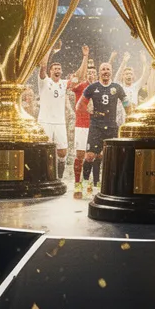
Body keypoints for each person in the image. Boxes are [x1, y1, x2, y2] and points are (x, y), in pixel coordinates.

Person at [81, 62, 130, 191]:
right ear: (99, 72)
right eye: (103, 69)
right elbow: (80, 104)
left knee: (107, 156)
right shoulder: (92, 87)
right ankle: (84, 184)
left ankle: (105, 185)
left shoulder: (117, 88)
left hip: (112, 126)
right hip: (96, 126)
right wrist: (88, 110)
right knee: (90, 156)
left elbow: (126, 103)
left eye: (108, 69)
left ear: (111, 72)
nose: (105, 71)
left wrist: (130, 115)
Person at [37, 49, 70, 179]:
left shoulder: (64, 84)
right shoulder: (44, 82)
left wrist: (85, 57)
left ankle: (60, 175)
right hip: (45, 121)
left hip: (60, 122)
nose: (57, 70)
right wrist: (48, 49)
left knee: (62, 152)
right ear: (50, 71)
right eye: (55, 69)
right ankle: (44, 177)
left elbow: (79, 77)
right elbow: (43, 67)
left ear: (61, 72)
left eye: (59, 69)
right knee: (44, 150)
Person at [68, 46, 92, 198]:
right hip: (81, 125)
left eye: (93, 71)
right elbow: (80, 75)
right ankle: (77, 184)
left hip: (95, 126)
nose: (91, 73)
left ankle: (89, 184)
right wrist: (85, 57)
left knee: (93, 157)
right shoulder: (80, 86)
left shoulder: (100, 88)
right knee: (80, 155)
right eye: (89, 71)